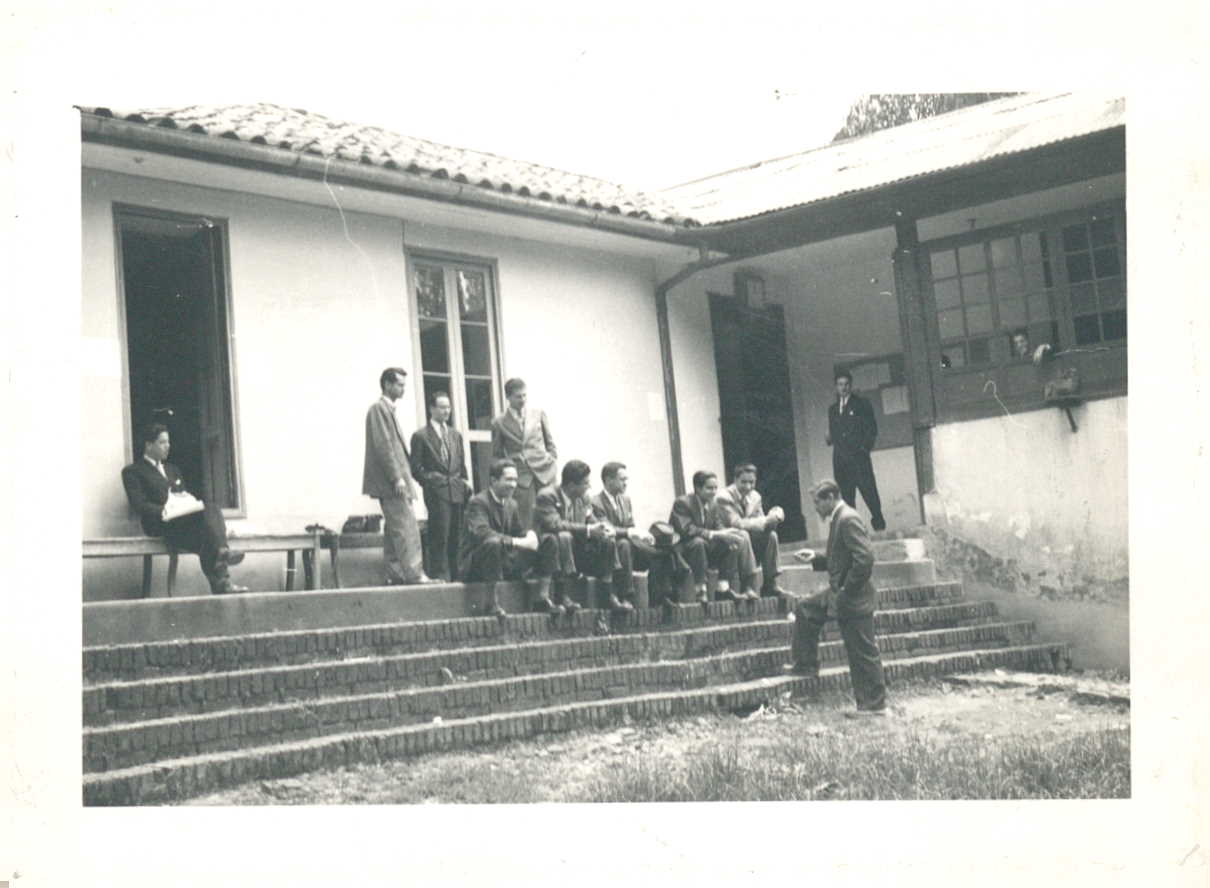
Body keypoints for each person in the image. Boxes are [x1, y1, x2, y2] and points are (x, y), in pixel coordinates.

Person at [786, 479, 888, 717]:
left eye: (817, 503)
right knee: (806, 609)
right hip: (842, 593)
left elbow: (864, 559)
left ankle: (874, 706)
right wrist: (815, 557)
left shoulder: (847, 518)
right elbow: (840, 557)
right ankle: (806, 664)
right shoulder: (839, 518)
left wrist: (846, 590)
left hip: (854, 597)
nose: (816, 509)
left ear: (830, 498)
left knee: (862, 650)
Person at [121, 422, 248, 595]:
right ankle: (222, 562)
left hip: (182, 523)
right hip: (160, 524)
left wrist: (189, 504)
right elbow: (139, 504)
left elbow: (183, 496)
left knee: (210, 512)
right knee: (209, 533)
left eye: (168, 442)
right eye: (162, 442)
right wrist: (163, 511)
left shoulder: (173, 470)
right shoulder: (133, 472)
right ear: (149, 445)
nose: (168, 446)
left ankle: (222, 574)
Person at [362, 367, 437, 586]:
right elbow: (384, 445)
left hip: (394, 481)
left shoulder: (387, 410)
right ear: (387, 384)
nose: (403, 389)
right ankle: (414, 574)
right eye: (399, 384)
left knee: (394, 529)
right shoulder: (378, 409)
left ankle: (395, 574)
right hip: (391, 483)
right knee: (406, 526)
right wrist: (397, 478)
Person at [458, 459, 549, 618]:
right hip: (477, 564)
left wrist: (530, 535)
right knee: (493, 543)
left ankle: (543, 597)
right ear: (493, 480)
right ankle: (491, 603)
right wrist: (516, 541)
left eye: (515, 480)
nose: (514, 485)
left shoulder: (512, 504)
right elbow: (482, 533)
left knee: (548, 541)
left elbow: (518, 531)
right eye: (508, 480)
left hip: (502, 559)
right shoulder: (478, 502)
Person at [534, 459, 622, 616]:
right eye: (585, 483)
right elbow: (555, 524)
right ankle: (562, 595)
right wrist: (588, 529)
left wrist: (603, 527)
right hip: (550, 552)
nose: (589, 487)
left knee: (608, 539)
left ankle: (608, 594)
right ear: (571, 485)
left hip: (578, 551)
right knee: (564, 536)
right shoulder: (547, 496)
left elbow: (591, 519)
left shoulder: (584, 498)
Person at [591, 461, 676, 610]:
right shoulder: (596, 502)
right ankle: (626, 596)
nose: (626, 483)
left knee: (662, 549)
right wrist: (632, 533)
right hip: (610, 550)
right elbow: (606, 529)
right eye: (622, 479)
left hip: (628, 545)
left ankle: (661, 596)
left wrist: (643, 537)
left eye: (626, 479)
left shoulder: (625, 500)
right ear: (609, 480)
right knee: (624, 544)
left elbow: (630, 525)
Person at [669, 470, 761, 605]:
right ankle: (700, 590)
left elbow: (718, 527)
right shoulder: (682, 503)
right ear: (698, 488)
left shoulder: (713, 504)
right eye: (709, 488)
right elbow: (687, 530)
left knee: (730, 543)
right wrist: (716, 534)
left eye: (715, 488)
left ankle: (722, 589)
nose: (713, 492)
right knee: (698, 542)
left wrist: (728, 533)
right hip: (684, 549)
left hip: (705, 548)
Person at [410, 391, 472, 581]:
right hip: (437, 492)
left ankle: (457, 575)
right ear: (431, 409)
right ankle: (440, 576)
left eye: (449, 407)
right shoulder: (420, 436)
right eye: (442, 407)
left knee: (457, 535)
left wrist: (465, 482)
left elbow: (461, 463)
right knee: (440, 535)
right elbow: (416, 468)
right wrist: (432, 481)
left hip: (457, 490)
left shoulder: (455, 435)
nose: (447, 411)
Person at [490, 378, 557, 532]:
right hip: (521, 477)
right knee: (527, 521)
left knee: (551, 517)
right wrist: (510, 465)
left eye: (525, 395)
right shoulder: (498, 423)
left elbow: (550, 443)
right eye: (518, 396)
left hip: (545, 473)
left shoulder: (538, 414)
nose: (523, 400)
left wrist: (552, 459)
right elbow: (497, 455)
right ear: (508, 397)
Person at [715, 463, 788, 600]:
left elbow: (761, 523)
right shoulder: (724, 497)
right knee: (744, 534)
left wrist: (775, 517)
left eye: (752, 482)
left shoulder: (755, 496)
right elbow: (736, 523)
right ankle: (748, 585)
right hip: (728, 543)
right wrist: (764, 521)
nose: (748, 487)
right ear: (735, 479)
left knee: (771, 536)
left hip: (747, 542)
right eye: (744, 482)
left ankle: (770, 584)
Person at [826, 369, 887, 532]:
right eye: (840, 384)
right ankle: (854, 534)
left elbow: (871, 429)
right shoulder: (832, 410)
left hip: (859, 460)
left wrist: (863, 449)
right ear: (836, 387)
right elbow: (835, 433)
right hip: (841, 462)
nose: (843, 388)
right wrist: (830, 438)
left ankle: (880, 527)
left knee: (870, 495)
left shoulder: (861, 404)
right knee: (847, 501)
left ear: (850, 386)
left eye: (846, 384)